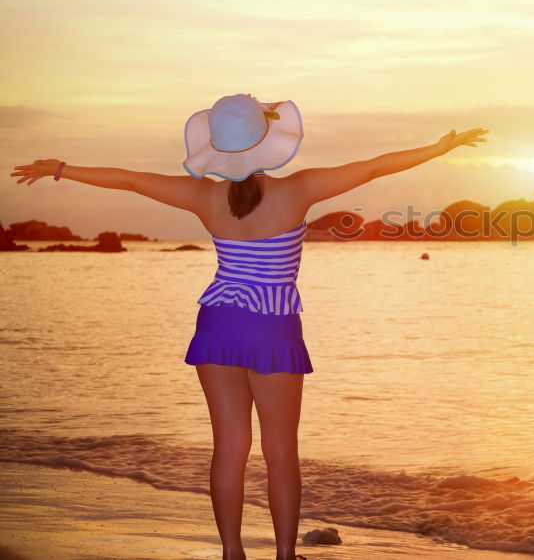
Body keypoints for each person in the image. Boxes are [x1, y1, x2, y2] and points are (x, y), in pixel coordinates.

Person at [9, 93, 488, 560]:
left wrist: (61, 169)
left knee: (230, 447)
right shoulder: (298, 189)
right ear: (266, 142)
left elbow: (132, 181)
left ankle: (232, 552)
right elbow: (373, 167)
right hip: (272, 325)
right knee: (281, 450)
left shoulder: (201, 194)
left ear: (216, 147)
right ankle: (283, 554)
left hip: (217, 321)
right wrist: (439, 148)